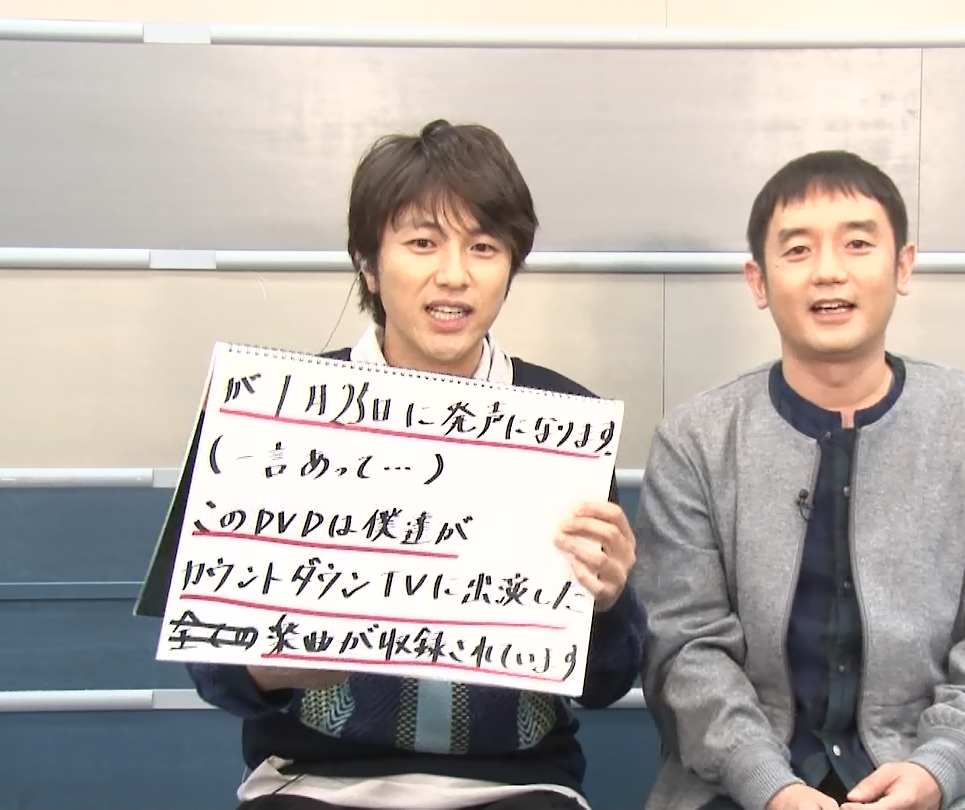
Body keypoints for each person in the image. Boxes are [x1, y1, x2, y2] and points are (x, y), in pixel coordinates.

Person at [186, 119, 647, 810]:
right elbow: (211, 667)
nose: (454, 275)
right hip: (312, 780)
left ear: (510, 267)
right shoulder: (282, 414)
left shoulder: (562, 424)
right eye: (422, 242)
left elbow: (607, 683)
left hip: (519, 783)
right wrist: (267, 668)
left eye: (483, 247)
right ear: (369, 264)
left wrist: (608, 606)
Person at [631, 151, 965, 810]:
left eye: (858, 244)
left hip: (949, 781)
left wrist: (938, 767)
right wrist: (768, 784)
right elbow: (682, 647)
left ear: (903, 266)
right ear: (758, 280)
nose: (829, 271)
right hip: (745, 785)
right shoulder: (695, 441)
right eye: (798, 250)